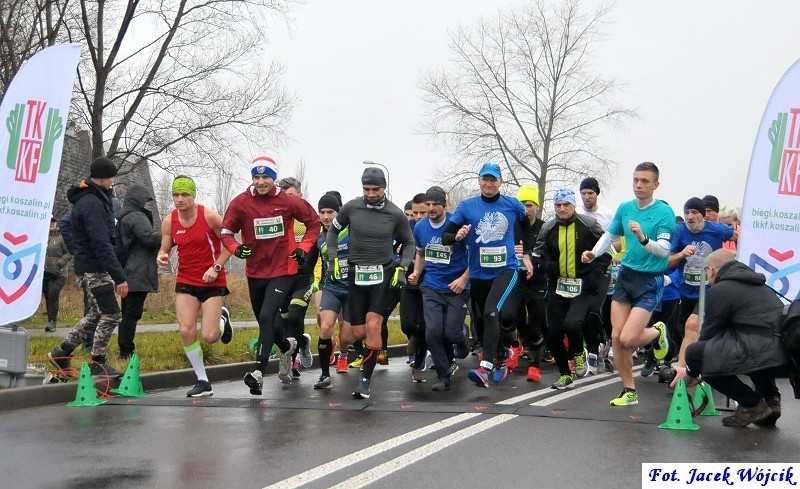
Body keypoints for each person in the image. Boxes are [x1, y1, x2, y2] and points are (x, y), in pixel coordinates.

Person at [221, 156, 321, 394]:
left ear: (274, 178)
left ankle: (258, 372)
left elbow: (314, 224)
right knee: (268, 322)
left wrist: (303, 248)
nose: (261, 182)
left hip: (282, 270)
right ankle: (287, 346)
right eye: (256, 177)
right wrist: (236, 248)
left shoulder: (287, 201)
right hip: (255, 271)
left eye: (266, 177)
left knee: (267, 316)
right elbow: (226, 232)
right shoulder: (241, 202)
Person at [582, 161, 674, 406]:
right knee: (616, 336)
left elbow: (663, 251)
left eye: (644, 181)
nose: (639, 185)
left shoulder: (664, 212)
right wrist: (594, 252)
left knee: (629, 339)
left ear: (656, 184)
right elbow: (610, 235)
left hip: (650, 280)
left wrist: (643, 238)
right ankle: (629, 391)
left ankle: (657, 332)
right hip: (626, 277)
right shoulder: (625, 208)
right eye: (635, 180)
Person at [442, 162, 533, 388]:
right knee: (481, 319)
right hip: (478, 273)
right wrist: (458, 236)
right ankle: (503, 353)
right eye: (485, 179)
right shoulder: (467, 207)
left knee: (492, 312)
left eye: (493, 179)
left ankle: (486, 367)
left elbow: (525, 225)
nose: (489, 183)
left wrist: (525, 250)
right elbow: (446, 236)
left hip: (506, 269)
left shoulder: (512, 204)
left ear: (500, 182)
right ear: (479, 180)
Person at [326, 167, 414, 399]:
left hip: (382, 275)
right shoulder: (351, 208)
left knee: (374, 325)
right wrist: (333, 258)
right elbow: (332, 233)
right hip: (356, 276)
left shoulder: (395, 214)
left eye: (376, 189)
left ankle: (365, 381)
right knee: (358, 332)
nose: (372, 193)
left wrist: (402, 268)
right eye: (367, 189)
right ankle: (368, 355)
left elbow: (410, 243)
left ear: (384, 188)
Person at [672, 249, 787, 427]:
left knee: (697, 353)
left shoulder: (720, 290)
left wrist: (691, 372)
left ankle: (752, 404)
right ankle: (771, 400)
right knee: (756, 347)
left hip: (763, 352)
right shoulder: (762, 286)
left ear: (711, 270)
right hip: (783, 356)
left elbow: (709, 335)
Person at [47, 157, 129, 378]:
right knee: (112, 314)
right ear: (103, 178)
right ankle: (98, 363)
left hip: (90, 266)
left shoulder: (93, 199)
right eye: (112, 177)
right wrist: (120, 276)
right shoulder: (91, 203)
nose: (113, 181)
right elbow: (101, 243)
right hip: (95, 268)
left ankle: (62, 352)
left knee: (95, 313)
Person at [157, 176, 234, 397]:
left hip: (212, 280)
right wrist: (161, 256)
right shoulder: (169, 221)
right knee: (185, 330)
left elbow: (230, 244)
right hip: (186, 280)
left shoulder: (209, 216)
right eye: (176, 195)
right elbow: (164, 248)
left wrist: (216, 267)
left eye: (185, 195)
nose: (179, 199)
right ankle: (202, 380)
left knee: (210, 336)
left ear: (193, 195)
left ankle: (221, 319)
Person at [533, 187, 610, 389]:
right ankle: (565, 374)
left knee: (572, 324)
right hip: (558, 286)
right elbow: (539, 254)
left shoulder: (589, 224)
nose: (562, 208)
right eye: (558, 205)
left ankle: (578, 353)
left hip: (582, 285)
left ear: (573, 205)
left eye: (566, 204)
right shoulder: (548, 228)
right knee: (554, 333)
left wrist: (597, 272)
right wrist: (545, 266)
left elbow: (606, 250)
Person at [408, 186, 470, 390]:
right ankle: (444, 375)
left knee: (450, 334)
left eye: (435, 204)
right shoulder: (420, 227)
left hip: (456, 286)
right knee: (432, 331)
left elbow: (474, 256)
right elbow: (421, 253)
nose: (431, 208)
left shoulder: (457, 223)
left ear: (445, 204)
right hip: (432, 285)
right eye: (428, 204)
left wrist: (463, 279)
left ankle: (462, 337)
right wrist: (417, 271)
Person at [667, 197, 735, 372]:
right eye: (687, 212)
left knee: (692, 324)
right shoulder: (679, 231)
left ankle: (682, 369)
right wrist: (681, 254)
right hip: (686, 291)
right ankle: (700, 359)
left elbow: (738, 235)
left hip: (709, 290)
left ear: (703, 216)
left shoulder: (716, 229)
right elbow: (668, 263)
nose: (690, 217)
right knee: (686, 327)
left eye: (694, 212)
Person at [277, 176, 320, 375]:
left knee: (295, 316)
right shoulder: (277, 218)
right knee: (285, 323)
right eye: (283, 195)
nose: (287, 200)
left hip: (303, 278)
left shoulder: (306, 219)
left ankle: (291, 361)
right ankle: (302, 342)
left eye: (291, 195)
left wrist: (312, 273)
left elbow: (316, 247)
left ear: (300, 196)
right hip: (281, 277)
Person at [313, 192, 356, 388]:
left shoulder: (351, 230)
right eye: (322, 212)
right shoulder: (318, 235)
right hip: (331, 287)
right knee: (325, 326)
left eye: (330, 212)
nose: (326, 216)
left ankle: (344, 354)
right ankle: (324, 375)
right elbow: (309, 262)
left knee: (347, 336)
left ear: (338, 213)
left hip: (352, 290)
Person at [116, 185, 162, 360]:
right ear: (138, 200)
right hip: (138, 272)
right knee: (132, 313)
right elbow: (149, 239)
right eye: (146, 201)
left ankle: (124, 348)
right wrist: (167, 235)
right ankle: (126, 351)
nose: (147, 204)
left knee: (127, 312)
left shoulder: (124, 217)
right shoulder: (137, 217)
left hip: (128, 270)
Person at [507, 185, 547, 382]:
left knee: (535, 328)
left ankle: (535, 365)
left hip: (538, 282)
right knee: (511, 316)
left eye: (529, 204)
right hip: (516, 281)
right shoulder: (513, 226)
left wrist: (533, 258)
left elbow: (548, 253)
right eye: (522, 204)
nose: (526, 208)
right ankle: (517, 344)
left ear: (537, 207)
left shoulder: (545, 227)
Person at [42, 217, 71, 332]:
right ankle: (50, 319)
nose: (51, 223)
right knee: (47, 295)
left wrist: (60, 263)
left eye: (53, 221)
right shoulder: (43, 236)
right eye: (49, 221)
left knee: (53, 294)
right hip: (46, 272)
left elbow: (69, 252)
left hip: (59, 272)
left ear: (56, 223)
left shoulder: (62, 237)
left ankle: (53, 322)